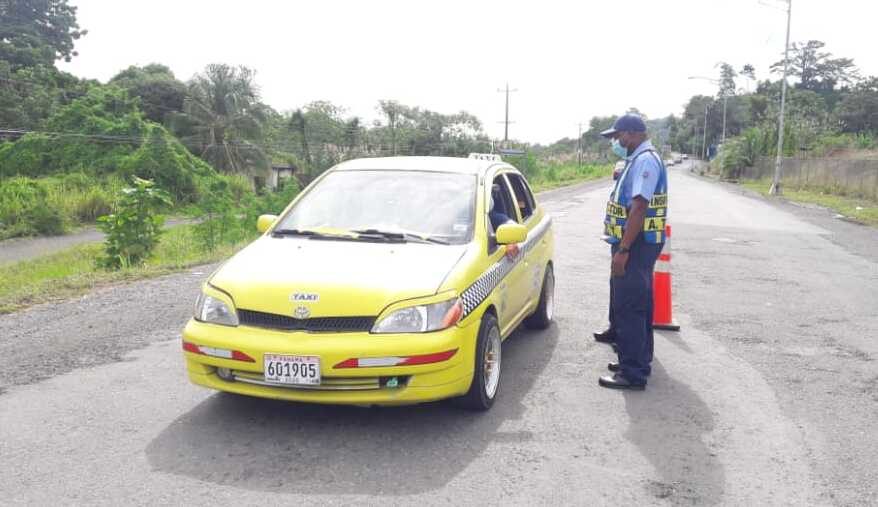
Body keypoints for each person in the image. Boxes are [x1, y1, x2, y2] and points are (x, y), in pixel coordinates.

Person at [595, 114, 668, 391]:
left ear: (633, 133)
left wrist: (623, 249)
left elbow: (639, 208)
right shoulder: (639, 158)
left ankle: (632, 373)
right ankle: (638, 359)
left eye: (618, 136)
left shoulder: (645, 160)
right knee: (640, 304)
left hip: (636, 244)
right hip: (640, 242)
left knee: (630, 307)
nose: (616, 141)